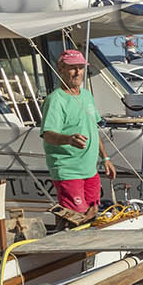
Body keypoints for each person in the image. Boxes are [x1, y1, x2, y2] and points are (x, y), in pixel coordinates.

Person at [40, 48, 116, 224]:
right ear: (61, 68)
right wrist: (68, 139)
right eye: (72, 68)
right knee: (75, 216)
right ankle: (63, 246)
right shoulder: (56, 100)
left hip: (90, 169)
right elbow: (48, 134)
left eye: (81, 68)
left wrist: (105, 158)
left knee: (93, 212)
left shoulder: (87, 96)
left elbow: (93, 129)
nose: (77, 72)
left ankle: (85, 249)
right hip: (68, 170)